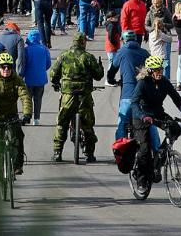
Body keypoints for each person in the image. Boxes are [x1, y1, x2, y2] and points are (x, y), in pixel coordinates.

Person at [130, 55, 181, 174]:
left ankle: (159, 160)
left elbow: (177, 99)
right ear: (150, 71)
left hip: (157, 113)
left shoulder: (164, 82)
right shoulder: (143, 83)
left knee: (175, 128)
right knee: (144, 150)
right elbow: (134, 103)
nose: (160, 72)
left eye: (161, 69)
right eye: (157, 70)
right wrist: (142, 116)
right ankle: (141, 178)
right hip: (142, 115)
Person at [52, 32, 104, 162]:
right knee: (88, 125)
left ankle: (57, 152)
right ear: (83, 42)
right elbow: (98, 75)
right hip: (84, 96)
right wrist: (100, 66)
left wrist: (56, 83)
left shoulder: (63, 56)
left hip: (67, 96)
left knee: (62, 123)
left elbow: (53, 74)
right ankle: (90, 154)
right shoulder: (88, 57)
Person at [107, 28, 149, 141]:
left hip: (127, 94)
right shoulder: (145, 53)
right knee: (149, 124)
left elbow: (113, 69)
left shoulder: (122, 52)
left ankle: (120, 150)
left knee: (122, 122)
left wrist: (110, 79)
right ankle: (157, 152)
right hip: (143, 95)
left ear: (123, 40)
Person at [21, 27, 53, 122]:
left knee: (28, 99)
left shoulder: (26, 50)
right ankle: (37, 118)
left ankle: (27, 116)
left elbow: (23, 64)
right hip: (41, 79)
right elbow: (48, 64)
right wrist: (42, 69)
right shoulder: (44, 49)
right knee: (38, 99)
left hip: (29, 79)